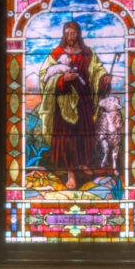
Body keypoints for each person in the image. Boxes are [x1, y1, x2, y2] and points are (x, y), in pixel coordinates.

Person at [38, 21, 111, 190]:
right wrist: (62, 80)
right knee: (68, 138)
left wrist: (103, 80)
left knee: (84, 136)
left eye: (73, 33)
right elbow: (45, 76)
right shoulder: (55, 54)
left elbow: (97, 71)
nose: (70, 37)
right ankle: (70, 172)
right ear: (64, 35)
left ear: (78, 34)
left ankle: (83, 164)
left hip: (84, 102)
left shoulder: (88, 53)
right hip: (63, 105)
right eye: (67, 33)